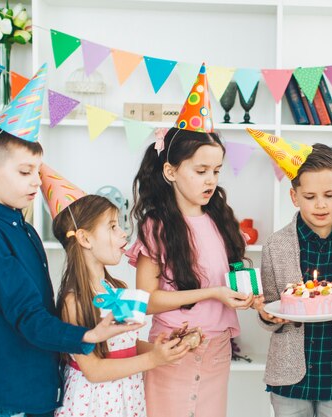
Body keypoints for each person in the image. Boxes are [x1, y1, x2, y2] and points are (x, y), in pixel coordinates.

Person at [0, 97, 140, 416]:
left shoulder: (25, 230)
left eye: (38, 171)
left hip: (39, 390)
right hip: (7, 397)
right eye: (25, 171)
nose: (36, 181)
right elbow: (27, 314)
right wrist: (87, 336)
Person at [127, 64, 253, 417]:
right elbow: (145, 303)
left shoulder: (220, 220)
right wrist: (212, 292)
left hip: (217, 350)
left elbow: (227, 278)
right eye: (200, 171)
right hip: (172, 349)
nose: (210, 180)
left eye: (216, 171)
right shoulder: (156, 227)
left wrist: (245, 293)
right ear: (170, 171)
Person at [247, 128, 332, 417]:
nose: (321, 204)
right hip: (289, 377)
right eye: (310, 196)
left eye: (329, 194)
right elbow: (270, 308)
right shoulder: (275, 246)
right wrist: (266, 315)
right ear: (294, 196)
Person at [45, 178, 189, 417]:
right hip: (93, 405)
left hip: (126, 399)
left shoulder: (118, 288)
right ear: (85, 238)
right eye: (112, 226)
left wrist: (159, 349)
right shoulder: (75, 302)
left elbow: (124, 347)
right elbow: (94, 370)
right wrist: (154, 359)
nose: (123, 232)